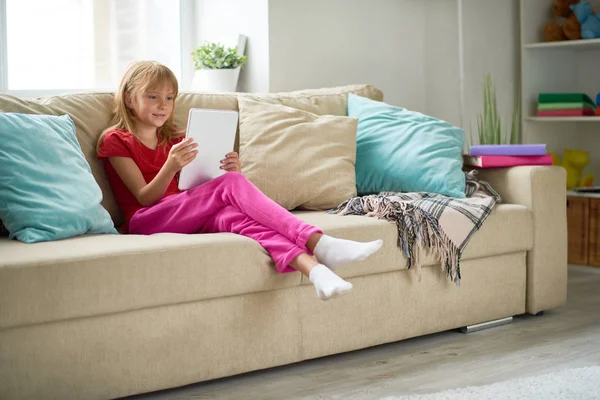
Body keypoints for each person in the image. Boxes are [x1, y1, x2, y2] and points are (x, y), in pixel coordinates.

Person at [96, 60, 383, 300]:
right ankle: (319, 241)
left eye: (169, 97)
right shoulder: (116, 140)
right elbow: (144, 197)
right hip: (145, 220)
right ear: (130, 99)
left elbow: (195, 187)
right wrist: (172, 165)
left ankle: (317, 273)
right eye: (153, 96)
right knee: (229, 188)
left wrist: (229, 173)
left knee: (238, 217)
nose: (163, 105)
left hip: (185, 214)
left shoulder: (177, 138)